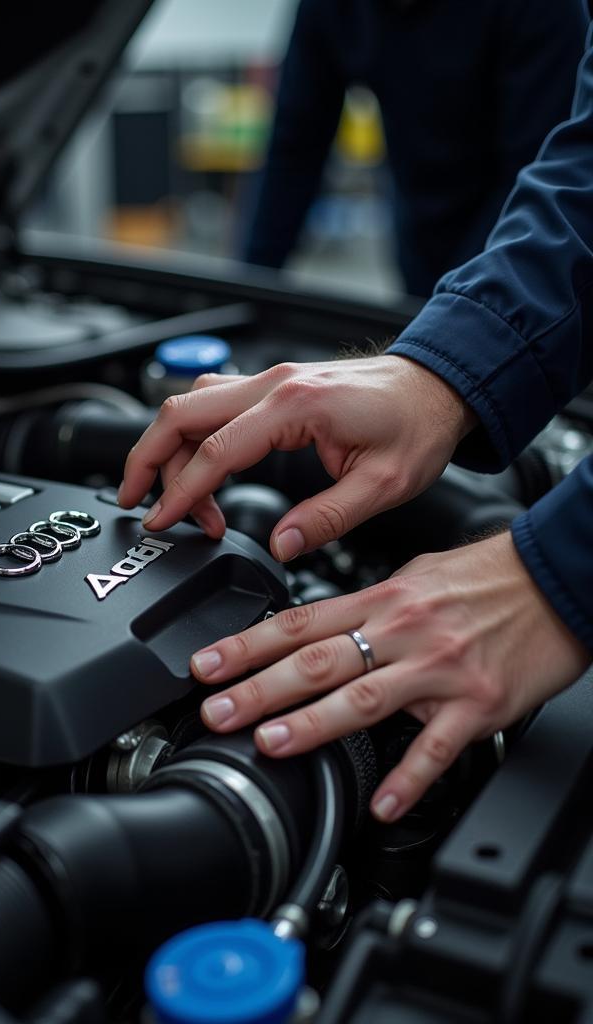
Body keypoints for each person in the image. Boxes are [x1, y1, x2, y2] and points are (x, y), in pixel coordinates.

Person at [118, 23, 593, 825]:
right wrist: (448, 367)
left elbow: (538, 150)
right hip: (458, 276)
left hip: (487, 235)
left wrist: (559, 576)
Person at [240, 0, 589, 296]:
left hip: (535, 254)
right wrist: (248, 292)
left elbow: (537, 171)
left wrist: (456, 312)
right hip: (421, 249)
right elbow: (294, 148)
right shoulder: (337, 8)